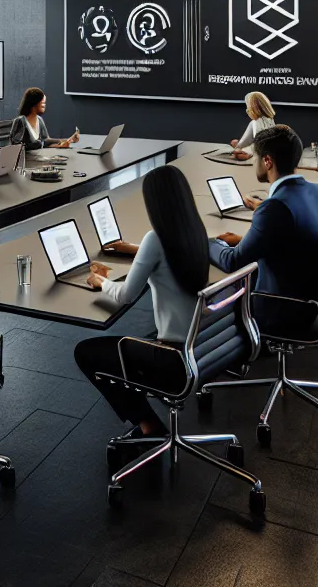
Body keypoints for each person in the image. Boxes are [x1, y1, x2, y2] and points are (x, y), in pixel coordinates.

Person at [71, 165, 211, 437]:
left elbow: (125, 295)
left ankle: (148, 425)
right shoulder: (196, 229)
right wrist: (136, 249)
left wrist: (101, 282)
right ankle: (147, 422)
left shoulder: (155, 239)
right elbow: (169, 253)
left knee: (87, 352)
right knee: (132, 341)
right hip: (201, 347)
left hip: (173, 359)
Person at [208, 125, 318, 337]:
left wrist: (206, 243)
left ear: (267, 161)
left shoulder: (274, 208)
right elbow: (297, 239)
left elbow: (233, 261)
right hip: (315, 300)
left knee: (214, 293)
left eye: (256, 157)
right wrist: (243, 239)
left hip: (280, 310)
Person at [8, 87, 77, 150]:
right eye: (42, 103)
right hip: (26, 161)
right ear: (34, 103)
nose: (44, 105)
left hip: (37, 158)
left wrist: (66, 141)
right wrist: (39, 144)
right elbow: (15, 147)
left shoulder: (39, 120)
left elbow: (46, 141)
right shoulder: (20, 121)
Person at [229, 91, 275, 159]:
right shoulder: (270, 120)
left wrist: (247, 153)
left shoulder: (256, 123)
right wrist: (239, 145)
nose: (247, 110)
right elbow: (248, 140)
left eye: (248, 107)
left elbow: (261, 145)